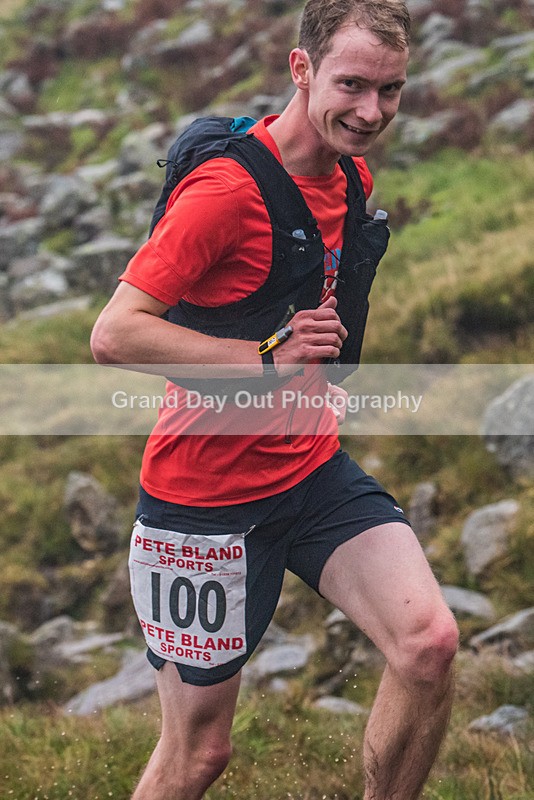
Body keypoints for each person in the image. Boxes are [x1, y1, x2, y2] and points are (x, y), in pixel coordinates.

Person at [91, 1, 459, 798]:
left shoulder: (350, 171)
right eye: (353, 85)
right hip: (203, 502)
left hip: (310, 471)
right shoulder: (225, 191)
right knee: (198, 755)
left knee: (428, 643)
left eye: (390, 90)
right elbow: (115, 334)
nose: (371, 112)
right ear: (301, 70)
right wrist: (263, 358)